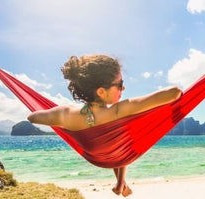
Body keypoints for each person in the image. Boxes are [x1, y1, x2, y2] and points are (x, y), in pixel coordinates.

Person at [27, 54, 182, 197]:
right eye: (120, 84)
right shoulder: (119, 111)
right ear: (101, 91)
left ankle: (121, 184)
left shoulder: (65, 114)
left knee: (116, 133)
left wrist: (60, 121)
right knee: (123, 131)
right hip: (119, 153)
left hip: (97, 157)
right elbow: (174, 92)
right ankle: (121, 182)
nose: (123, 88)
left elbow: (33, 117)